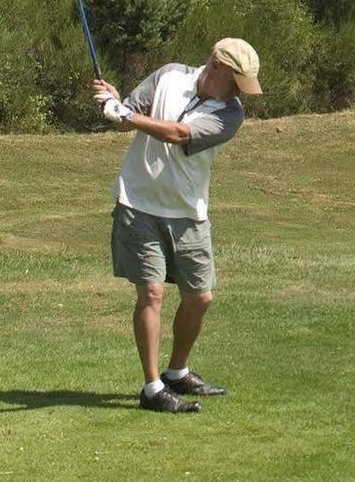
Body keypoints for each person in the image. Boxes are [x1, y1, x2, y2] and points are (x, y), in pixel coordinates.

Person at [94, 38, 262, 414]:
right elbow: (128, 116)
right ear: (217, 66)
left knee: (200, 297)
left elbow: (178, 134)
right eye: (237, 81)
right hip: (138, 203)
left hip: (188, 212)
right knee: (151, 294)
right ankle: (153, 387)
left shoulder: (230, 114)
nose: (240, 92)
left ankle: (177, 371)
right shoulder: (168, 75)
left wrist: (126, 116)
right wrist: (114, 103)